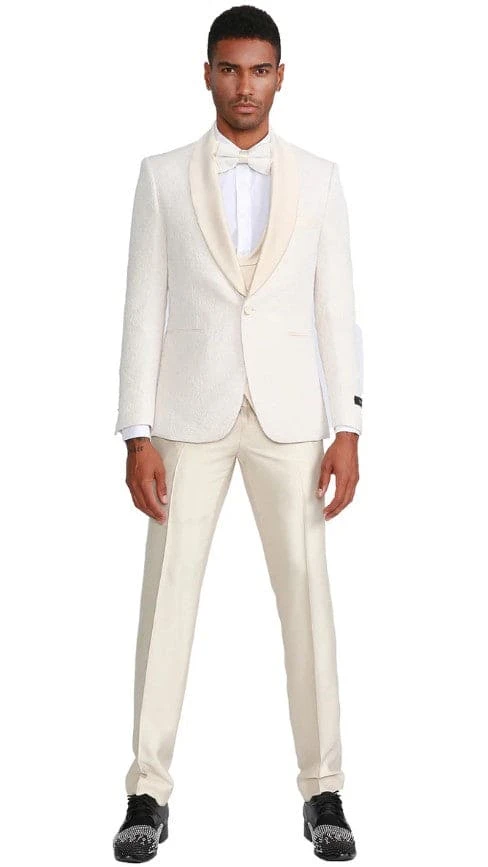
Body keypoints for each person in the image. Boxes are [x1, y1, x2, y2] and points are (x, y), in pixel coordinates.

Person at [112, 5, 362, 862]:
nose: (243, 86)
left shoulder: (320, 179)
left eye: (259, 70)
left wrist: (348, 425)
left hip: (291, 420)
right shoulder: (161, 176)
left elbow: (336, 309)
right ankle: (147, 791)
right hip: (189, 415)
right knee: (167, 600)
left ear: (280, 76)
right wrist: (136, 431)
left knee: (308, 601)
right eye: (229, 69)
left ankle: (323, 787)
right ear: (208, 74)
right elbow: (143, 305)